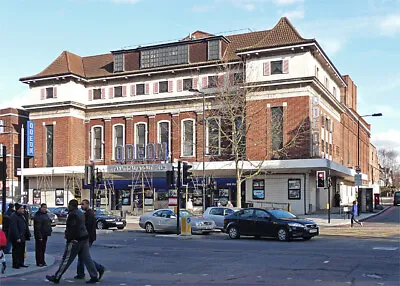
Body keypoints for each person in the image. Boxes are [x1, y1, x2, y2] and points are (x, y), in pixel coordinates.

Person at [46, 199, 99, 284]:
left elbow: (73, 228)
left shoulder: (73, 215)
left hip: (76, 239)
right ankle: (94, 276)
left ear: (71, 206)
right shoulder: (81, 213)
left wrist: (70, 238)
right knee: (87, 258)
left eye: (69, 205)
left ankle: (57, 277)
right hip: (84, 238)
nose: (68, 207)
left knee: (66, 259)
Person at [75, 199, 105, 281]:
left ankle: (99, 268)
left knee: (85, 256)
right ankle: (80, 273)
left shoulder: (89, 214)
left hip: (88, 238)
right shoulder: (87, 214)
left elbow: (87, 227)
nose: (81, 206)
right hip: (87, 237)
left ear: (87, 204)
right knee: (81, 256)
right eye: (81, 204)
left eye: (83, 204)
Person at [8, 203, 29, 269]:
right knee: (16, 251)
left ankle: (21, 262)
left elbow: (25, 224)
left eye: (23, 208)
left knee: (22, 250)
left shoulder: (22, 215)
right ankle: (16, 264)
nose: (23, 210)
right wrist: (17, 237)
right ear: (18, 209)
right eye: (21, 208)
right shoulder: (14, 216)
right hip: (17, 237)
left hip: (22, 236)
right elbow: (14, 228)